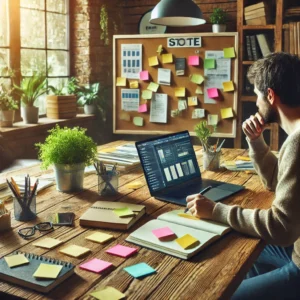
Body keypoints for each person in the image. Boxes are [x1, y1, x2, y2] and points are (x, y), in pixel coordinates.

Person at [186, 52, 300, 299]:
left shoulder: (297, 142)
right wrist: (256, 141)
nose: (257, 104)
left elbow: (281, 228)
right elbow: (275, 183)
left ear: (271, 95)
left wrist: (217, 211)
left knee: (222, 295)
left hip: (299, 263)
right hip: (294, 246)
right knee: (248, 253)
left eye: (258, 96)